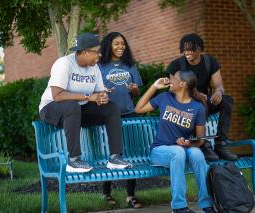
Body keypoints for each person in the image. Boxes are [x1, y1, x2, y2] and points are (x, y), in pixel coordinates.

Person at [38, 32, 131, 173]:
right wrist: (88, 97)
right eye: (96, 52)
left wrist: (102, 97)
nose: (99, 55)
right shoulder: (64, 64)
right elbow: (57, 96)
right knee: (72, 106)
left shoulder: (94, 68)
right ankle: (74, 160)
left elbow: (99, 93)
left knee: (111, 107)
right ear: (85, 52)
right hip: (51, 109)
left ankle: (115, 158)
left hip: (77, 111)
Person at [135, 70, 216, 213]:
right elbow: (138, 108)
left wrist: (188, 143)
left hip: (182, 150)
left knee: (197, 153)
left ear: (183, 84)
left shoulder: (198, 108)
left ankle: (206, 204)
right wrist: (154, 86)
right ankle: (179, 207)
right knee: (177, 152)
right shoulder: (165, 97)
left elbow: (200, 140)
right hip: (160, 150)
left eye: (173, 78)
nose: (169, 79)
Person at [166, 33, 238, 161]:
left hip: (205, 101)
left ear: (199, 49)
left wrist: (219, 92)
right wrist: (195, 94)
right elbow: (173, 90)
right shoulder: (176, 65)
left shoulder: (210, 62)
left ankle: (221, 144)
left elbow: (219, 85)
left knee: (227, 100)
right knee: (198, 103)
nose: (186, 52)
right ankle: (204, 145)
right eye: (184, 49)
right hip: (185, 105)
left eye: (190, 49)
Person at [98, 32, 143, 208]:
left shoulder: (129, 65)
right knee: (111, 152)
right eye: (116, 44)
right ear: (109, 45)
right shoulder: (100, 66)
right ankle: (106, 193)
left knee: (131, 152)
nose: (120, 47)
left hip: (129, 113)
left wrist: (133, 89)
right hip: (108, 115)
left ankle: (131, 195)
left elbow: (137, 92)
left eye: (123, 44)